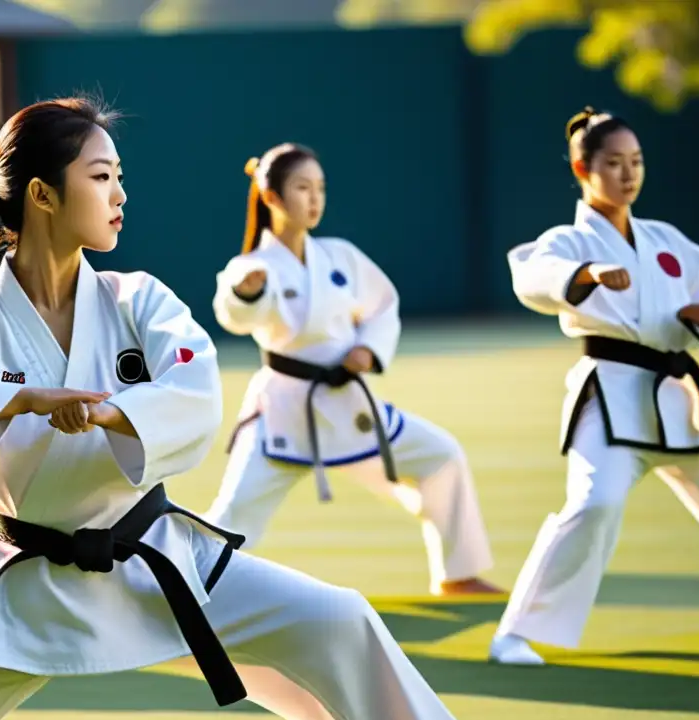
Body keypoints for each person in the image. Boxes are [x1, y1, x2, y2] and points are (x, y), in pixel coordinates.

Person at [0, 97, 493, 720]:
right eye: (101, 178)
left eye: (120, 178)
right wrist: (24, 399)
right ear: (41, 195)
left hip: (160, 561)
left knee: (338, 620)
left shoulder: (139, 298)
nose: (120, 194)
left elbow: (194, 391)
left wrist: (111, 412)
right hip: (25, 578)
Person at [205, 143, 500, 597]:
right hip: (284, 412)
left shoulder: (339, 256)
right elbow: (232, 311)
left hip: (347, 404)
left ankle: (457, 573)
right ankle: (188, 593)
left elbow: (383, 306)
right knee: (232, 515)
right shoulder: (253, 267)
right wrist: (245, 293)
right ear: (273, 198)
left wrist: (367, 348)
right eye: (302, 188)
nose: (314, 198)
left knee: (441, 455)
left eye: (320, 188)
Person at [490, 107, 699, 665]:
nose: (628, 174)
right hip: (611, 394)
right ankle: (515, 635)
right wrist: (587, 274)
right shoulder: (568, 241)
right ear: (582, 167)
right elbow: (533, 275)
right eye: (614, 163)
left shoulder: (667, 240)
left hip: (679, 397)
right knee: (595, 504)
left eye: (636, 162)